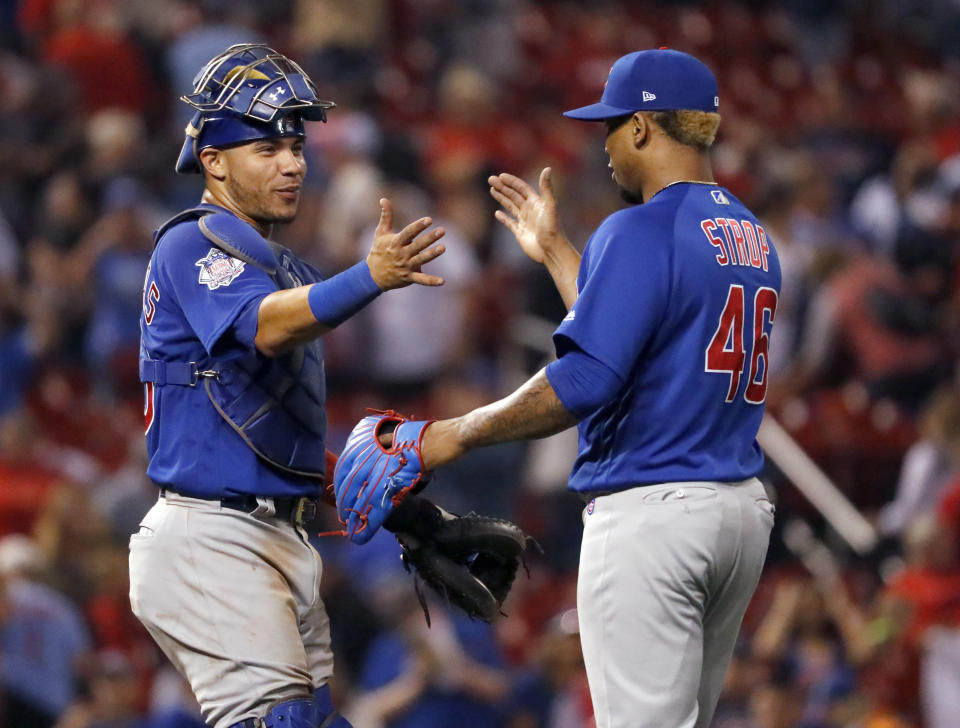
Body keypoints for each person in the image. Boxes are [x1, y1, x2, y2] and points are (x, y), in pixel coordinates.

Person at [370, 49, 781, 727]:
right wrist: (560, 251)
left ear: (646, 127)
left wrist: (450, 435)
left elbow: (587, 377)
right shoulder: (749, 235)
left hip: (655, 515)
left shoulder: (639, 227)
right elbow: (634, 339)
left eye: (613, 126)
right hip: (734, 512)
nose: (606, 145)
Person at [128, 44, 446, 728]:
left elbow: (272, 425)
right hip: (210, 534)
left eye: (296, 146)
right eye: (267, 148)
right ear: (213, 160)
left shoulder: (286, 269)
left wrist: (390, 507)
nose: (294, 162)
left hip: (274, 534)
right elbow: (264, 329)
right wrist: (369, 278)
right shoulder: (193, 241)